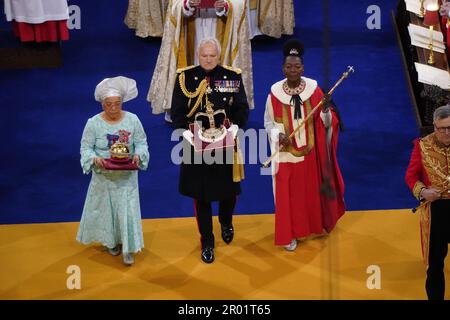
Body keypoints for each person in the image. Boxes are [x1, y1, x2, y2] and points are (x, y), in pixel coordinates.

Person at [171, 38, 249, 263]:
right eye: (204, 55)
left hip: (224, 143)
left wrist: (234, 128)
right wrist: (186, 134)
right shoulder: (185, 77)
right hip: (195, 146)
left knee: (229, 191)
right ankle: (207, 240)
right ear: (198, 55)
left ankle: (226, 221)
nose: (208, 59)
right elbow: (177, 112)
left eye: (212, 56)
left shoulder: (231, 77)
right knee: (201, 196)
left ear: (219, 55)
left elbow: (241, 108)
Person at [264, 39, 345, 251]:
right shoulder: (273, 95)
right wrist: (277, 135)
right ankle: (289, 234)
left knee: (308, 195)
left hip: (310, 154)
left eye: (297, 66)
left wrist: (326, 110)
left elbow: (328, 124)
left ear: (303, 68)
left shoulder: (314, 91)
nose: (292, 70)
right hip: (286, 155)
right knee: (287, 197)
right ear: (282, 68)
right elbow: (268, 122)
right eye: (288, 66)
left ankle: (313, 226)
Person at [77, 76, 149, 266]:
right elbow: (86, 148)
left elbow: (141, 143)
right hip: (104, 178)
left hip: (126, 178)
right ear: (102, 104)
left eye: (117, 104)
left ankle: (128, 247)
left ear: (122, 103)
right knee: (107, 211)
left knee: (127, 211)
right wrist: (94, 159)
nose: (113, 109)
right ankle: (111, 242)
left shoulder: (133, 120)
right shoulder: (93, 123)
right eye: (109, 104)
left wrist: (138, 156)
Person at [147, 0, 254, 123]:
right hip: (192, 25)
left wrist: (226, 6)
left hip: (220, 24)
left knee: (215, 59)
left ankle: (222, 108)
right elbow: (174, 4)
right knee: (196, 61)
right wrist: (186, 5)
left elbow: (240, 3)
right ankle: (184, 110)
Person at [405, 104, 450, 300]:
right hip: (435, 212)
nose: (447, 133)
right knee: (435, 264)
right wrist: (423, 191)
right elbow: (411, 176)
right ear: (434, 126)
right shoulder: (422, 145)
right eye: (442, 128)